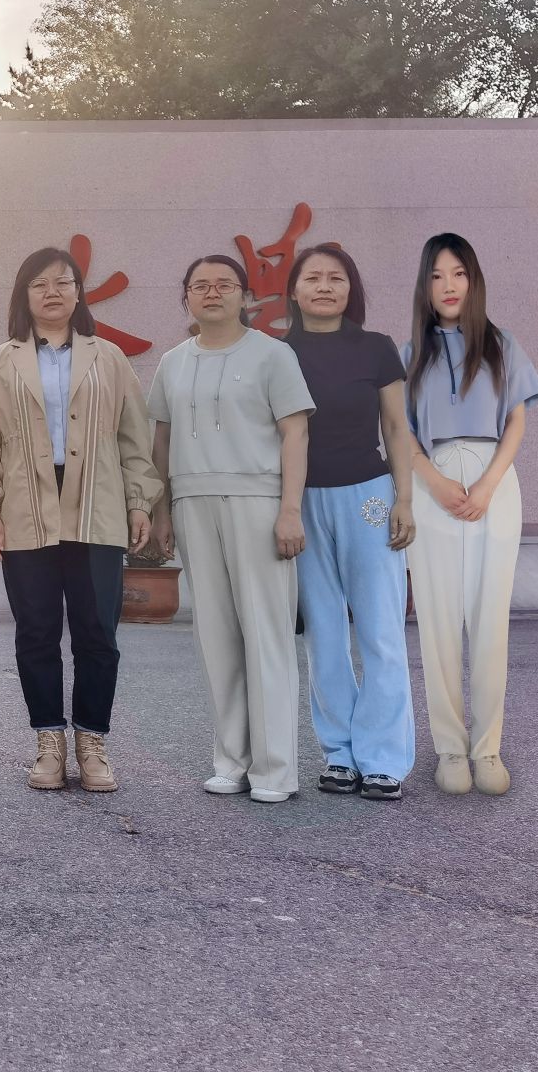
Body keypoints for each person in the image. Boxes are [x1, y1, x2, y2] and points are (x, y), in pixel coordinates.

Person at [0, 247, 159, 794]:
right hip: (26, 508)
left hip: (96, 506)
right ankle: (48, 742)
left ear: (78, 293)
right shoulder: (1, 361)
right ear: (23, 295)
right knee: (37, 631)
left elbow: (134, 437)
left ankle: (92, 744)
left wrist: (139, 501)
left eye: (63, 282)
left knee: (98, 632)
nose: (52, 292)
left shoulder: (108, 357)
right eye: (39, 284)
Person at [149, 254, 313, 804]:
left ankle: (275, 771)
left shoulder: (273, 354)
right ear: (186, 298)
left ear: (245, 296)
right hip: (193, 501)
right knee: (215, 637)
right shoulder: (172, 362)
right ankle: (230, 761)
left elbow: (295, 434)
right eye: (200, 285)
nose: (212, 293)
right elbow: (161, 440)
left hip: (258, 502)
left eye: (224, 284)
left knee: (266, 635)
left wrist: (290, 509)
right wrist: (162, 509)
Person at [401, 232, 538, 797]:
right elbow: (401, 433)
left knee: (490, 621)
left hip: (495, 481)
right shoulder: (410, 354)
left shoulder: (502, 345)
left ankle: (487, 748)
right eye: (437, 275)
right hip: (431, 480)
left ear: (474, 280)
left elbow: (516, 422)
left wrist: (487, 484)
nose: (448, 285)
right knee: (437, 620)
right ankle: (449, 749)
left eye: (458, 273)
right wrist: (434, 482)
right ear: (425, 285)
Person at [284, 244, 419, 801]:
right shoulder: (276, 352)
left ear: (351, 289)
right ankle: (339, 753)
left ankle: (384, 758)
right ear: (294, 291)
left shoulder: (376, 348)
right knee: (323, 631)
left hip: (369, 497)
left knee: (381, 628)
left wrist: (404, 499)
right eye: (312, 277)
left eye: (335, 278)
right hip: (302, 501)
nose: (324, 286)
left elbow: (396, 428)